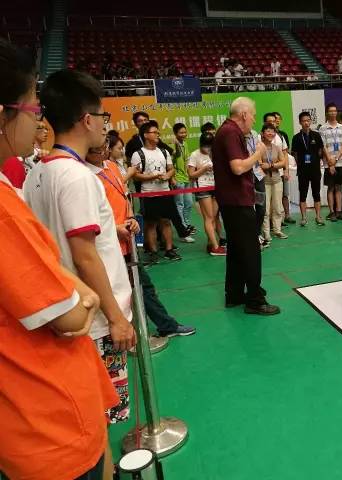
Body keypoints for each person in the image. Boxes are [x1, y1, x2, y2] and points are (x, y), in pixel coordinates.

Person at [0, 38, 119, 480]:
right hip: (48, 408)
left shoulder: (36, 175)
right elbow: (82, 264)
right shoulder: (74, 177)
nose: (38, 120)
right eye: (32, 109)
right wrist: (104, 308)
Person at [23, 68, 136, 478]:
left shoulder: (40, 172)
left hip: (70, 314)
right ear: (87, 120)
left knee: (90, 416)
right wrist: (117, 317)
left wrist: (113, 229)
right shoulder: (76, 176)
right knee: (98, 416)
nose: (105, 124)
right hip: (97, 321)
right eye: (102, 116)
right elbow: (85, 255)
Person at [86, 141, 197, 336]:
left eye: (106, 145)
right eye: (98, 148)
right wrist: (114, 228)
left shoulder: (111, 167)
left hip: (126, 243)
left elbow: (124, 195)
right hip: (106, 247)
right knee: (122, 290)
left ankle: (163, 326)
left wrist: (130, 217)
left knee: (143, 286)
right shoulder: (85, 176)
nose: (103, 150)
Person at [212, 97, 280, 315]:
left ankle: (234, 294)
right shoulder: (231, 132)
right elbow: (238, 167)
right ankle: (255, 300)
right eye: (252, 115)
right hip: (237, 200)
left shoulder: (227, 131)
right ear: (243, 114)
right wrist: (258, 154)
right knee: (251, 250)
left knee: (236, 250)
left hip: (231, 200)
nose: (253, 120)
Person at [130, 121, 183, 262]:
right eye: (154, 132)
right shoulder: (138, 154)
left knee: (166, 221)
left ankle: (169, 250)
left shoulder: (164, 152)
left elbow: (171, 169)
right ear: (146, 135)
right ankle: (153, 252)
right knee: (151, 224)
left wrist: (167, 175)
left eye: (158, 132)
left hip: (165, 192)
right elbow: (135, 175)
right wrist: (152, 176)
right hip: (148, 193)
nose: (158, 134)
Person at [189, 133, 226, 255]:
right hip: (202, 188)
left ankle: (210, 243)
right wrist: (203, 169)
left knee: (214, 216)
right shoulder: (195, 155)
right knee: (209, 217)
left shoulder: (215, 153)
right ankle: (215, 247)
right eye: (206, 146)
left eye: (210, 146)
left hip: (215, 187)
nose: (208, 149)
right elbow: (191, 174)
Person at [291, 111, 325, 226]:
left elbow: (320, 150)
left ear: (310, 121)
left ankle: (318, 216)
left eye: (308, 120)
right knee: (303, 194)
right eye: (304, 121)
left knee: (316, 193)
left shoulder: (316, 135)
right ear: (300, 122)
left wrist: (317, 160)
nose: (306, 123)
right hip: (302, 171)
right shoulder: (296, 137)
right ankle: (304, 218)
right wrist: (300, 164)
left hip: (315, 170)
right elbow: (294, 153)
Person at [320, 103, 342, 221]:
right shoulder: (323, 128)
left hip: (341, 162)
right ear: (327, 113)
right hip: (328, 163)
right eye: (330, 111)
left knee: (339, 187)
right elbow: (323, 146)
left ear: (337, 112)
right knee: (331, 187)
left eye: (335, 111)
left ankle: (339, 211)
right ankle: (332, 212)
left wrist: (336, 158)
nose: (333, 113)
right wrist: (330, 161)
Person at [259, 122, 289, 242]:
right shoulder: (259, 147)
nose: (270, 133)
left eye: (272, 131)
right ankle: (266, 233)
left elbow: (283, 162)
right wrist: (274, 165)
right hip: (264, 182)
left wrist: (271, 165)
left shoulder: (276, 147)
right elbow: (260, 165)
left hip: (277, 180)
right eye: (268, 131)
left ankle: (277, 230)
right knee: (265, 209)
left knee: (277, 207)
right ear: (262, 133)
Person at [172, 122, 196, 236]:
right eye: (181, 133)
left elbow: (187, 160)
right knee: (179, 204)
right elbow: (173, 159)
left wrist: (190, 175)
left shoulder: (185, 144)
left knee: (189, 203)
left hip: (186, 178)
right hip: (178, 179)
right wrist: (172, 178)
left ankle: (186, 224)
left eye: (185, 132)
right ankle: (182, 227)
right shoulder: (172, 145)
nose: (183, 134)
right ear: (175, 133)